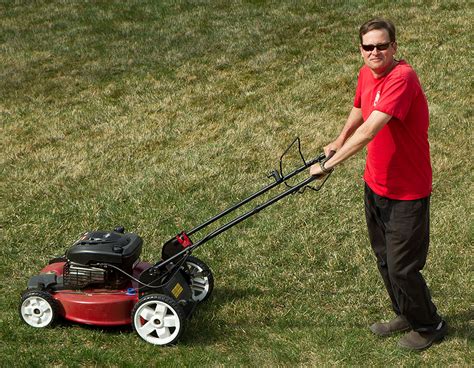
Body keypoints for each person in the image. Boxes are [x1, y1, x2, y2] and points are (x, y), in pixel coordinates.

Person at [310, 18, 447, 351]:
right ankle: (406, 313)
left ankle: (429, 325)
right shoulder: (367, 74)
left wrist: (329, 164)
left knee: (403, 267)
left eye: (382, 46)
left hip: (407, 192)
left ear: (394, 47)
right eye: (368, 47)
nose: (375, 52)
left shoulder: (402, 78)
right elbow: (359, 108)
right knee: (384, 258)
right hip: (376, 184)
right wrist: (337, 140)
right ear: (361, 50)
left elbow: (370, 130)